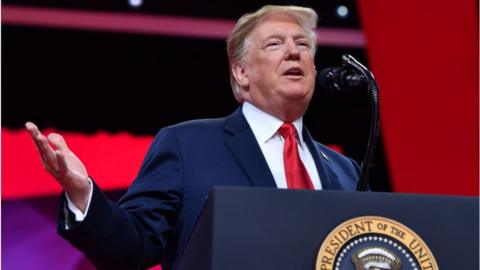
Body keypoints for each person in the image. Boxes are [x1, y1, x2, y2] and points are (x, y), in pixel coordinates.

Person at [26, 5, 359, 270]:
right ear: (241, 73)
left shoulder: (346, 171)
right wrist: (82, 192)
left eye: (302, 44)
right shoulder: (187, 146)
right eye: (275, 44)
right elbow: (131, 248)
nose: (293, 52)